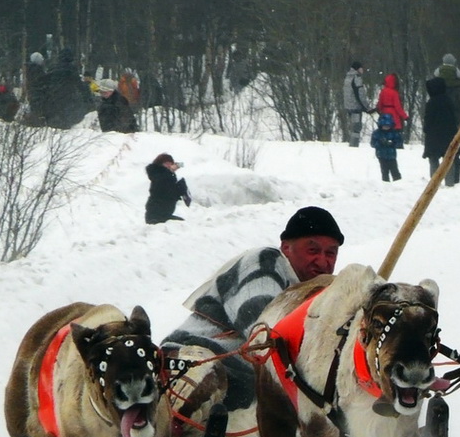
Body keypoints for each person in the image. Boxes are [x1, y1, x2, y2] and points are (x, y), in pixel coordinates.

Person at [163, 206, 344, 412]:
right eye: (312, 250)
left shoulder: (317, 290)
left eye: (331, 253)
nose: (322, 261)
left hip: (245, 380)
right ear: (286, 247)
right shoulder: (264, 263)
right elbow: (264, 332)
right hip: (194, 358)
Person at [422, 76, 460, 186]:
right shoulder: (449, 100)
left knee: (433, 159)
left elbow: (428, 119)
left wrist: (426, 129)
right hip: (449, 134)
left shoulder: (431, 102)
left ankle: (434, 183)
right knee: (448, 159)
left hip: (433, 136)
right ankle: (450, 182)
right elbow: (454, 117)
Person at [145, 152, 190, 224]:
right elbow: (160, 184)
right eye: (166, 163)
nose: (169, 166)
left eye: (170, 163)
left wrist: (182, 189)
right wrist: (170, 171)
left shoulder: (170, 176)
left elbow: (170, 192)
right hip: (155, 215)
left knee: (182, 224)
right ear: (160, 164)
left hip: (166, 214)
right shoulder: (156, 173)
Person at [342, 62, 375, 147]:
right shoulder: (356, 78)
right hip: (355, 107)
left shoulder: (347, 77)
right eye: (361, 68)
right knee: (356, 128)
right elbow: (360, 94)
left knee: (353, 126)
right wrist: (367, 107)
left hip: (348, 106)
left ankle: (352, 144)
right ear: (357, 69)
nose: (362, 70)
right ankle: (353, 146)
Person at [371, 113, 403, 181]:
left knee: (395, 171)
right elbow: (373, 143)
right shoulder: (377, 133)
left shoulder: (394, 133)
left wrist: (393, 143)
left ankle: (398, 183)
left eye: (388, 126)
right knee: (384, 172)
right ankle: (385, 183)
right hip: (381, 155)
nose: (386, 127)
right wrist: (380, 143)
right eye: (384, 126)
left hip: (392, 156)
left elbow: (399, 142)